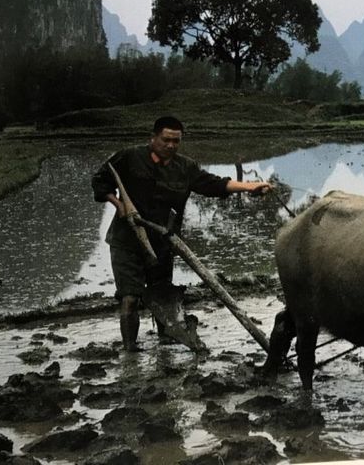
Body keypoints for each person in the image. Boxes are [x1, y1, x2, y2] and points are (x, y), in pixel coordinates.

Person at [91, 115, 272, 352]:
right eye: (166, 140)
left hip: (164, 241)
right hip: (128, 239)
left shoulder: (185, 168)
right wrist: (118, 204)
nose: (171, 146)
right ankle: (130, 351)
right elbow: (100, 180)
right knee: (130, 297)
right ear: (153, 138)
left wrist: (249, 187)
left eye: (176, 141)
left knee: (163, 294)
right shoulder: (130, 157)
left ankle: (167, 341)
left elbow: (214, 184)